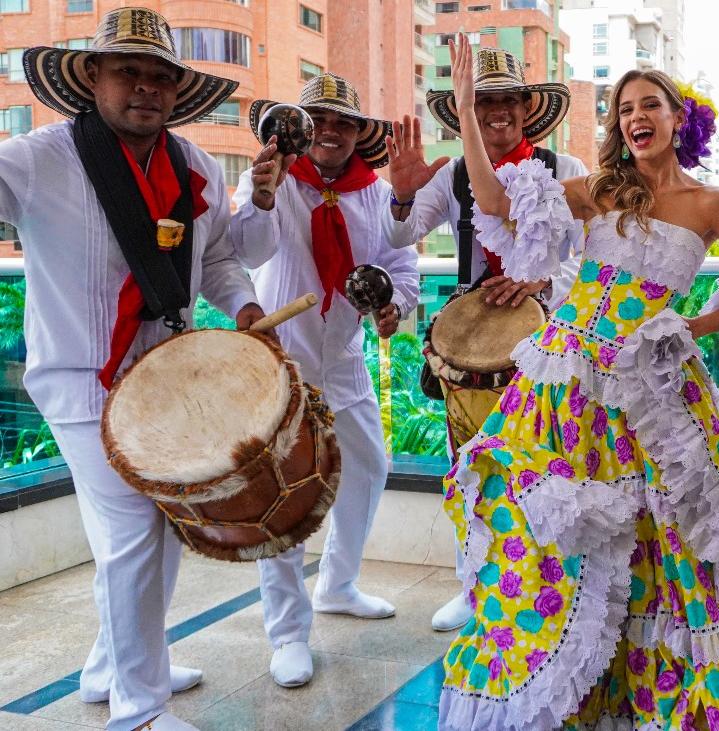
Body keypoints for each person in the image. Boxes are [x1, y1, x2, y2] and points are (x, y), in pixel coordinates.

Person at [432, 34, 719, 730]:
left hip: (652, 388)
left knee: (666, 541)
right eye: (625, 108)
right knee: (545, 521)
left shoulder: (713, 204)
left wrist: (691, 326)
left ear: (677, 117)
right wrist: (467, 118)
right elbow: (497, 202)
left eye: (649, 104)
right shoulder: (602, 191)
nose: (635, 116)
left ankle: (651, 688)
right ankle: (564, 680)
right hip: (563, 384)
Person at [0, 8, 270, 730]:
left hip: (163, 379)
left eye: (160, 76)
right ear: (92, 77)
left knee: (160, 523)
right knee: (132, 536)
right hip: (81, 382)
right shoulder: (35, 159)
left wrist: (243, 308)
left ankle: (112, 663)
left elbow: (214, 259)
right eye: (128, 71)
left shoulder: (196, 166)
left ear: (178, 90)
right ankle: (139, 707)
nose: (146, 88)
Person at [227, 73, 422, 688]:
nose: (332, 129)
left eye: (345, 120)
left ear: (361, 132)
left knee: (369, 466)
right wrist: (261, 197)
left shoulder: (377, 194)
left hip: (346, 359)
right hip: (282, 361)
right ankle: (287, 632)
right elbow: (247, 252)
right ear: (302, 128)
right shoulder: (271, 180)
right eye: (321, 119)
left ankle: (338, 584)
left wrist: (396, 307)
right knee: (287, 495)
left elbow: (402, 265)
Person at [395, 46, 589, 633]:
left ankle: (549, 588)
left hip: (550, 341)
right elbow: (398, 231)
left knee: (552, 467)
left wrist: (544, 278)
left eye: (507, 99)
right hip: (474, 349)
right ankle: (474, 587)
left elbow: (590, 255)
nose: (496, 112)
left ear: (528, 108)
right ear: (467, 114)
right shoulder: (453, 174)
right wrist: (402, 192)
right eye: (483, 102)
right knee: (469, 468)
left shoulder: (567, 166)